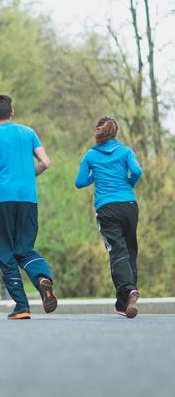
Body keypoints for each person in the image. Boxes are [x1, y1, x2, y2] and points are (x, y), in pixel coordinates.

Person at [0, 94, 57, 320]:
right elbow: (46, 162)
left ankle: (22, 306)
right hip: (27, 198)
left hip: (2, 198)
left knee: (5, 251)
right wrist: (27, 175)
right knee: (24, 247)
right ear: (12, 112)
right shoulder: (28, 132)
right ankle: (43, 278)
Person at [75, 117, 142, 318]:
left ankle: (128, 289)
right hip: (130, 205)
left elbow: (79, 182)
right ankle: (124, 303)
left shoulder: (91, 155)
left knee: (117, 250)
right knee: (130, 249)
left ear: (98, 133)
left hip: (107, 207)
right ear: (115, 132)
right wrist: (129, 182)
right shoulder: (125, 151)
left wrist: (96, 174)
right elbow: (137, 171)